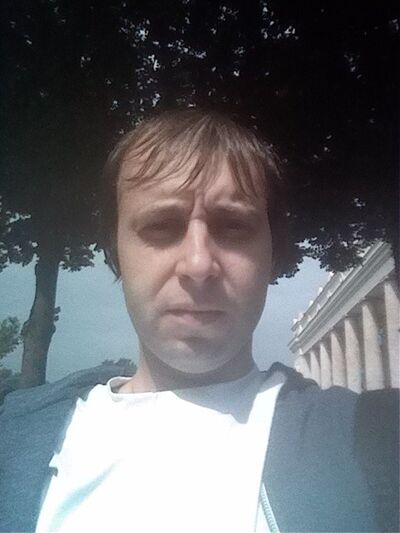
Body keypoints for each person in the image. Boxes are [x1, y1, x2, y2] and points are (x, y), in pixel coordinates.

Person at [0, 109, 397, 532]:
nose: (198, 264)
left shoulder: (377, 442)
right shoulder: (13, 439)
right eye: (161, 225)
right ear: (115, 252)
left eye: (234, 226)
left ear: (272, 253)